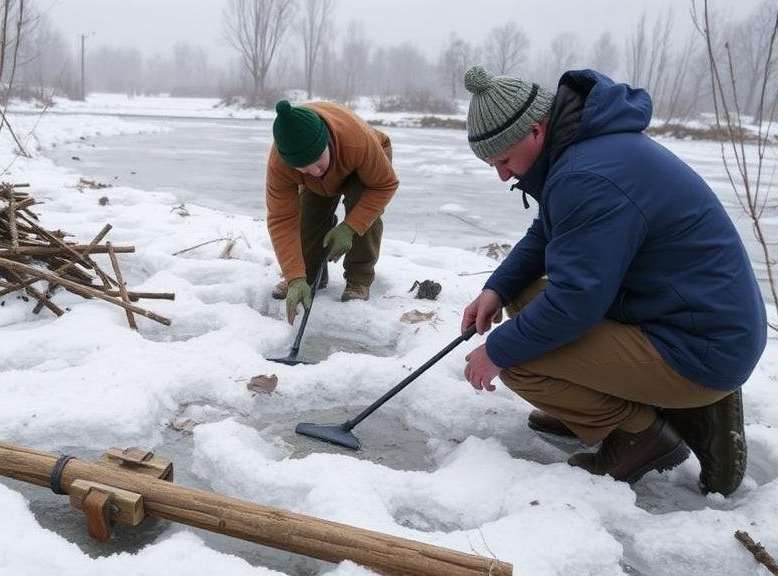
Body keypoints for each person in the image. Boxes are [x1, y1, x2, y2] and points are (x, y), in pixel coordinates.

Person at [458, 65, 766, 496]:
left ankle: (642, 435)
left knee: (521, 363)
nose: (504, 175)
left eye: (504, 161)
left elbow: (574, 304)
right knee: (525, 295)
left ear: (534, 131)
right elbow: (549, 231)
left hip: (702, 349)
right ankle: (609, 404)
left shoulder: (586, 176)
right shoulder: (588, 148)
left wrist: (497, 351)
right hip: (695, 322)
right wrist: (497, 288)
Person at [267, 99, 399, 323]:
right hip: (327, 173)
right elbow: (282, 220)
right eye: (303, 169)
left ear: (326, 143)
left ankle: (359, 278)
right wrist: (294, 276)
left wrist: (351, 226)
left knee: (361, 206)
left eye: (317, 161)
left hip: (363, 164)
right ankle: (309, 277)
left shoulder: (358, 142)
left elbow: (385, 185)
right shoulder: (281, 163)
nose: (314, 171)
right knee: (307, 218)